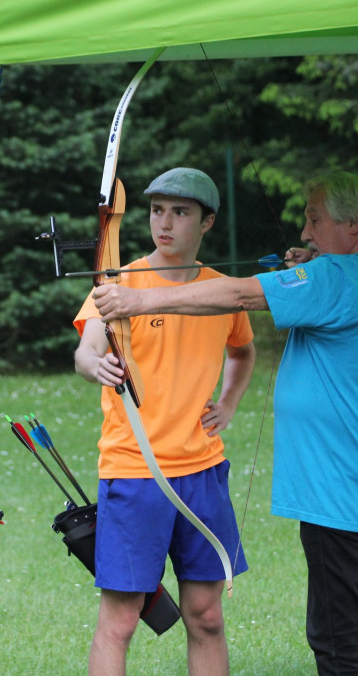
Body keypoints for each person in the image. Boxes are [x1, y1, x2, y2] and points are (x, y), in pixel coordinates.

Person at [94, 171, 358, 675]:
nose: (304, 233)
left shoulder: (331, 280)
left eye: (314, 219)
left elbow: (237, 295)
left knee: (341, 639)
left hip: (338, 493)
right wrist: (320, 267)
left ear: (354, 222)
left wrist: (138, 299)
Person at [74, 167, 256, 676]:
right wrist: (98, 365)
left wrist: (230, 403)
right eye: (157, 211)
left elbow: (243, 352)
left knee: (207, 616)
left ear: (207, 222)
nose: (165, 223)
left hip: (202, 471)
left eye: (180, 212)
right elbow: (85, 351)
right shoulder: (116, 284)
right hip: (135, 471)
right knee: (122, 620)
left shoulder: (224, 292)